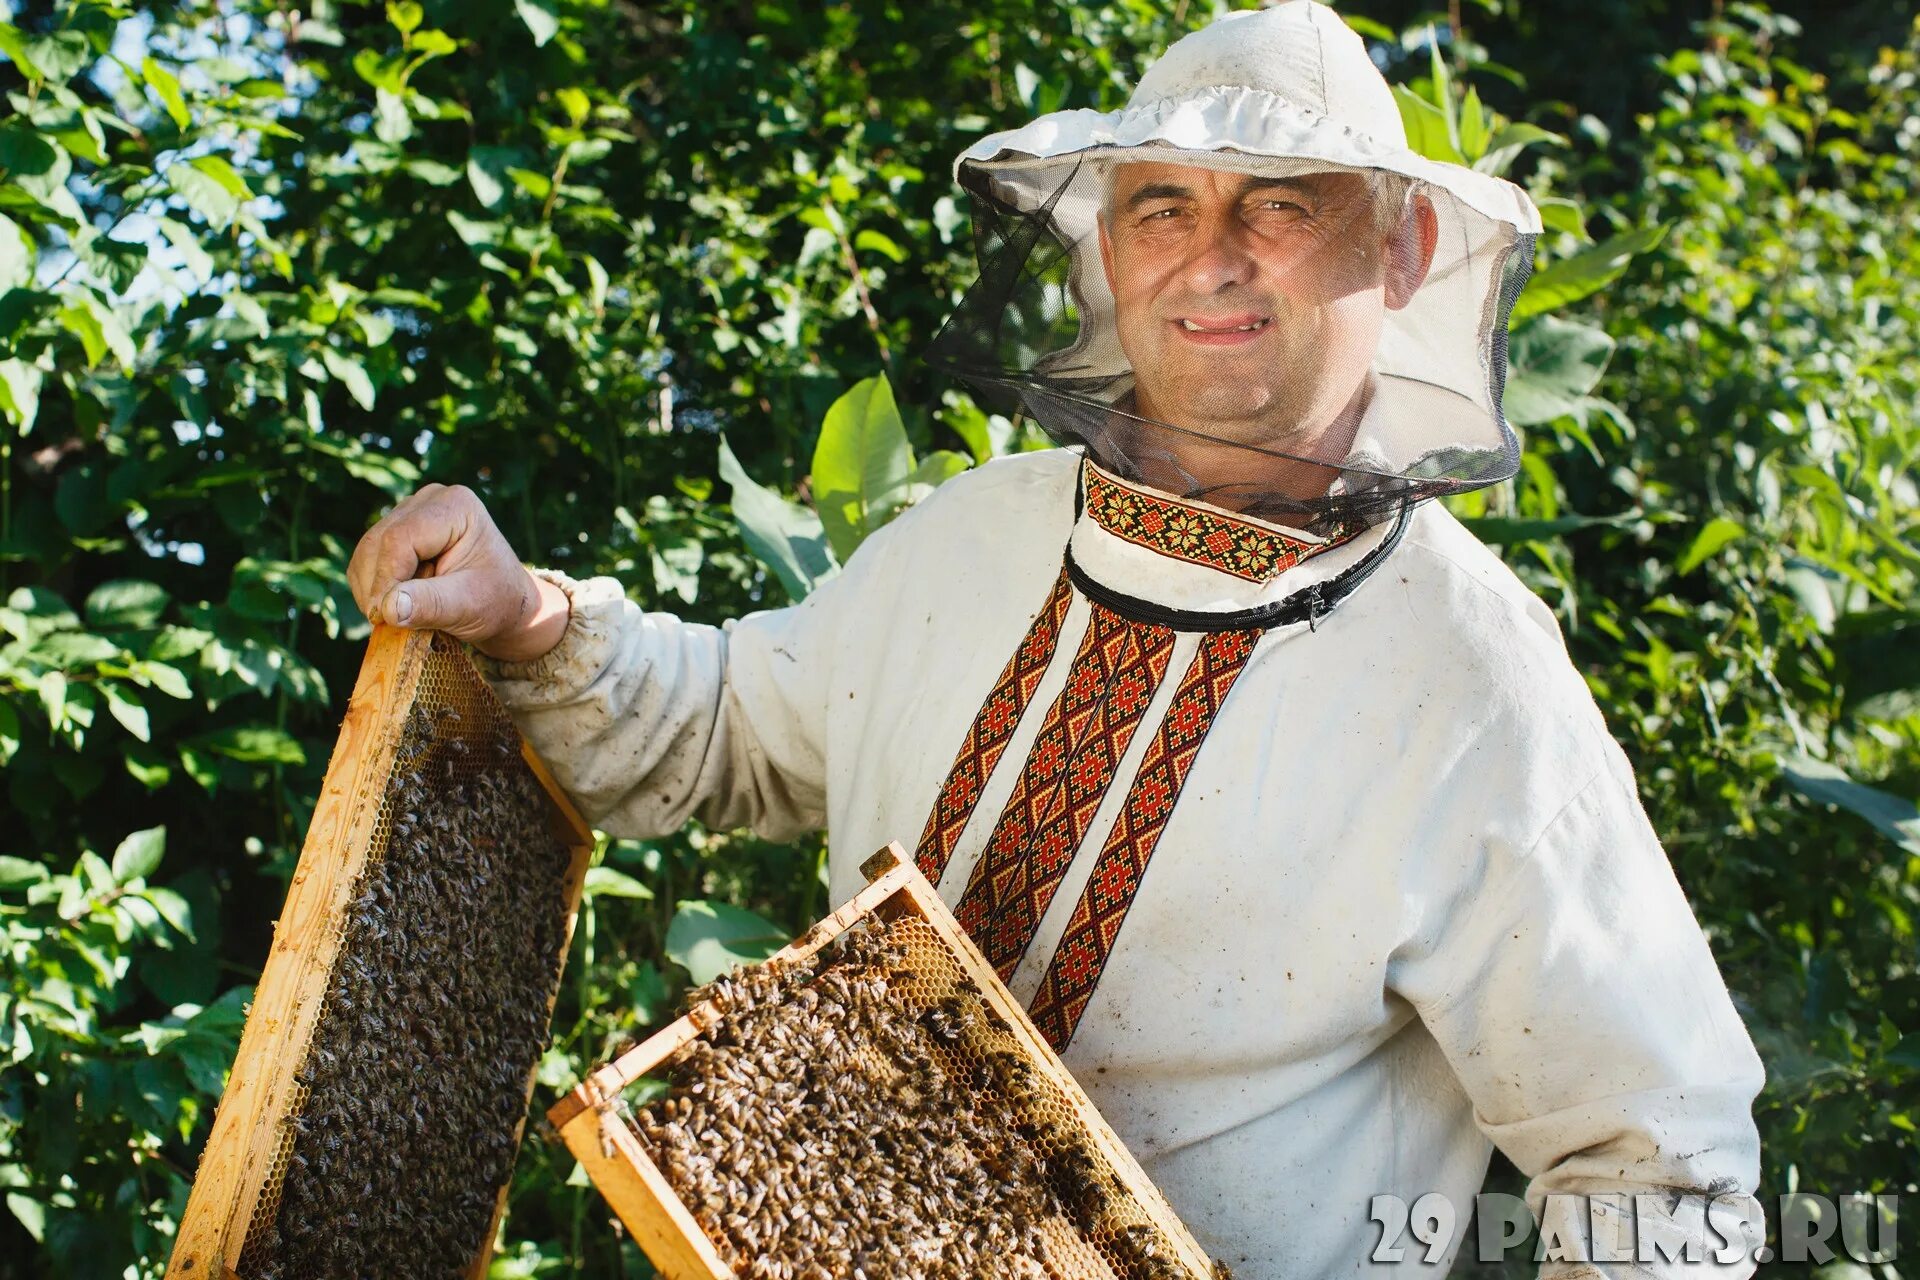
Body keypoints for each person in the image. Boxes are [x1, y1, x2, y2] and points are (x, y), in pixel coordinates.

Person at [347, 3, 1766, 1275]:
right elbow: (724, 726)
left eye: (1277, 205)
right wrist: (527, 615)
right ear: (1104, 251)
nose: (1210, 259)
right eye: (1161, 208)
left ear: (1400, 248)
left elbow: (1664, 1171)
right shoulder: (971, 539)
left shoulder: (1474, 688)